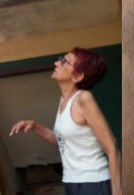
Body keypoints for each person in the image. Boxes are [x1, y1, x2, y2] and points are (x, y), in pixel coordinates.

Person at [10, 48, 121, 195]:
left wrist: (118, 192)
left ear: (77, 76)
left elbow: (112, 149)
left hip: (93, 183)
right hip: (71, 182)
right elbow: (63, 142)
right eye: (61, 59)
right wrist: (35, 126)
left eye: (65, 62)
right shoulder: (63, 101)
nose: (57, 63)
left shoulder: (83, 99)